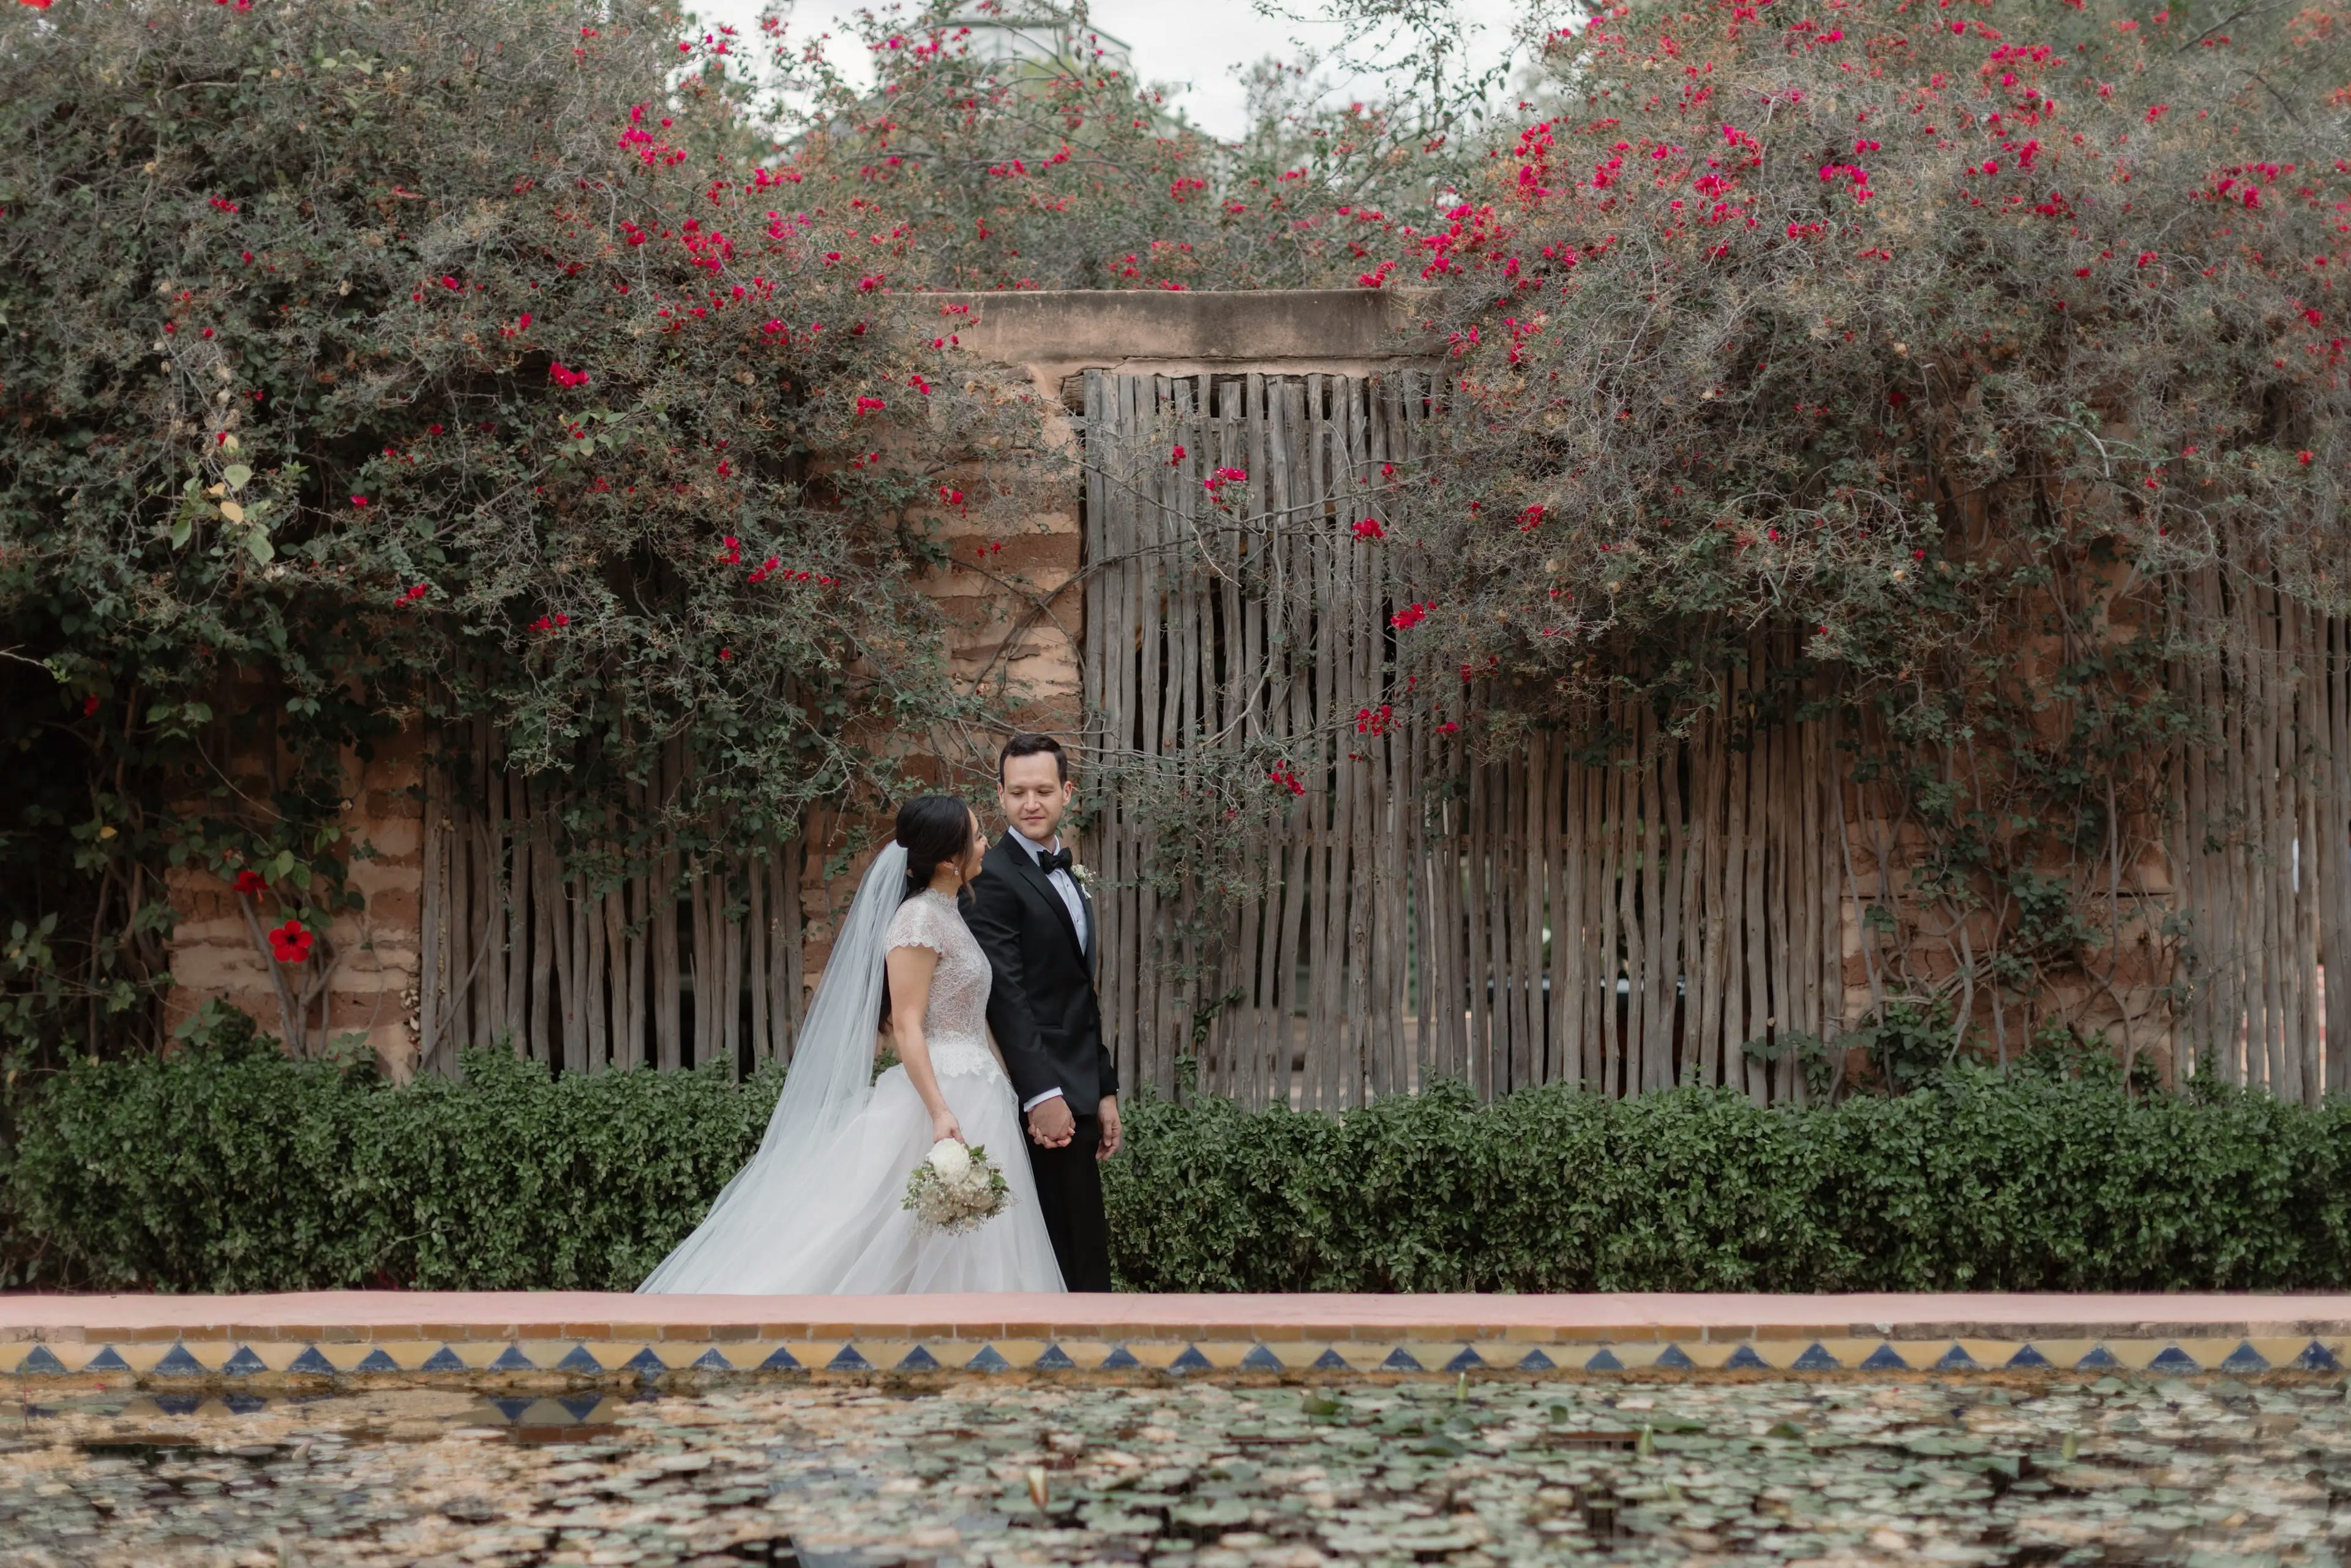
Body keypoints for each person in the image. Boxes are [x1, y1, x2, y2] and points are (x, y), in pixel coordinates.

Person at [637, 795, 1065, 1294]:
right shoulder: (919, 920)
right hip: (942, 1093)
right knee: (872, 1227)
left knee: (973, 1237)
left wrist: (1012, 1084)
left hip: (981, 1090)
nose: (985, 841)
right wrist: (939, 1111)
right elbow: (907, 1025)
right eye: (975, 835)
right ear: (950, 859)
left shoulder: (953, 913)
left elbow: (970, 1016)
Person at [965, 733, 1119, 1292]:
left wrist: (1103, 1088)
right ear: (1000, 795)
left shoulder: (1068, 874)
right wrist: (1043, 1097)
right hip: (1041, 1101)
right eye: (1019, 791)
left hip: (1079, 1084)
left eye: (1044, 790)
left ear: (1067, 793)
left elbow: (1078, 990)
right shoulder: (992, 877)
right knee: (1061, 1255)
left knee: (1085, 1246)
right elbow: (1006, 996)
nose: (1032, 803)